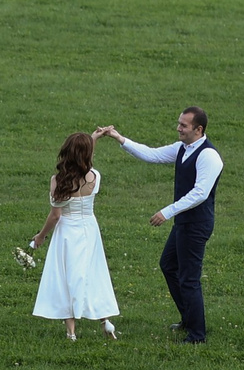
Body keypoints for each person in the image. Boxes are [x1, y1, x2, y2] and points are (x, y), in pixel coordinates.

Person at [95, 108, 222, 343]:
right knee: (168, 265)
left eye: (183, 125)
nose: (178, 128)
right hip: (184, 222)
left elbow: (200, 193)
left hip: (196, 224)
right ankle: (189, 319)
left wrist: (167, 211)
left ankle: (197, 334)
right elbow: (152, 155)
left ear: (198, 129)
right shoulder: (183, 148)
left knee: (189, 279)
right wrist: (119, 138)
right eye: (179, 123)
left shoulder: (208, 156)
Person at [29, 131, 119, 341]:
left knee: (67, 277)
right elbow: (84, 158)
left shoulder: (58, 181)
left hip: (67, 232)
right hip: (89, 229)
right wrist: (93, 139)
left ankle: (71, 332)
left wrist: (41, 236)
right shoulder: (94, 177)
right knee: (92, 273)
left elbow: (55, 216)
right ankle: (105, 321)